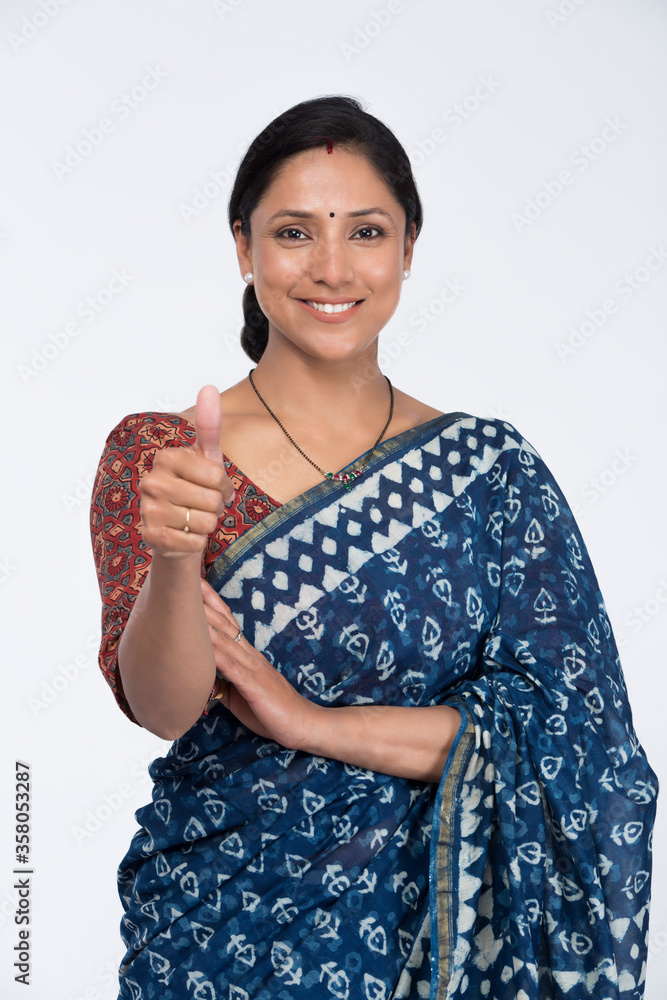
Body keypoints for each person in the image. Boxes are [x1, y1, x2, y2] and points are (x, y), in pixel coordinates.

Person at [90, 95, 657, 999]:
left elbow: (574, 746)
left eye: (363, 231)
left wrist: (310, 724)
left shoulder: (491, 475)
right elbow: (163, 708)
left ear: (407, 248)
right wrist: (172, 557)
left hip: (433, 941)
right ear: (242, 248)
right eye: (291, 232)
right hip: (216, 930)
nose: (329, 267)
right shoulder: (160, 456)